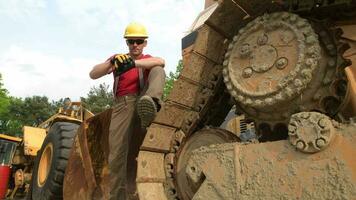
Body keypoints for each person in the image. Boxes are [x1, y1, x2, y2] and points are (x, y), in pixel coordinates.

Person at [89, 22, 165, 200]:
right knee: (117, 156)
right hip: (123, 106)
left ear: (145, 43)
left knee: (158, 70)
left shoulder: (147, 58)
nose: (135, 45)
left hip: (143, 101)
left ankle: (152, 103)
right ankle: (117, 197)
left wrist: (134, 64)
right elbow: (93, 74)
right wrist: (111, 63)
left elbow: (161, 61)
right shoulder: (118, 58)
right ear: (127, 43)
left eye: (139, 41)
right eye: (131, 42)